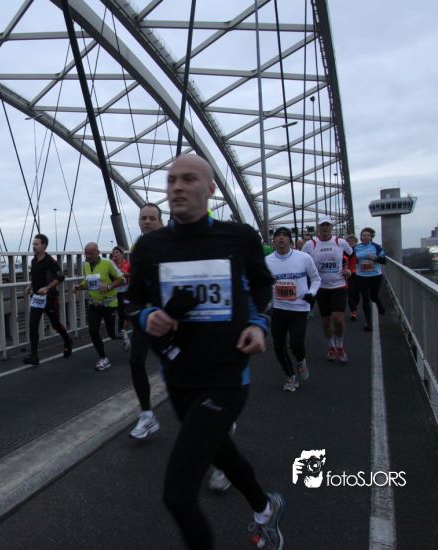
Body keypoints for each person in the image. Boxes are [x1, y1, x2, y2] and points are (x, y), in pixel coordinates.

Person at [127, 154, 284, 549]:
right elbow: (132, 299)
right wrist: (147, 316)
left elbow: (262, 285)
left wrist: (258, 323)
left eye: (189, 179)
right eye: (171, 180)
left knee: (178, 495)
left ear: (211, 188)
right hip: (178, 375)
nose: (177, 187)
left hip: (227, 375)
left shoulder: (239, 237)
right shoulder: (149, 247)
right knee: (222, 452)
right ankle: (266, 508)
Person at [266, 227, 321, 392]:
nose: (281, 238)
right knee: (278, 346)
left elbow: (316, 279)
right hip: (278, 309)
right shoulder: (267, 261)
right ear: (274, 241)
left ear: (290, 240)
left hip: (299, 308)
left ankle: (300, 360)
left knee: (296, 344)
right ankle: (290, 376)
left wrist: (312, 293)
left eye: (285, 236)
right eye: (278, 236)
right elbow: (262, 283)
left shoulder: (304, 258)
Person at [126, 203, 165, 439]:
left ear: (161, 221)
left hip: (172, 316)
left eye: (152, 218)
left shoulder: (173, 244)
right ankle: (147, 415)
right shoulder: (138, 249)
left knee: (182, 368)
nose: (147, 222)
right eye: (143, 218)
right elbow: (136, 287)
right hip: (147, 315)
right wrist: (134, 310)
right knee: (136, 361)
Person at [301, 216, 353, 363]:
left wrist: (349, 269)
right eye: (322, 225)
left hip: (339, 285)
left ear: (331, 227)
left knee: (338, 319)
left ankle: (340, 346)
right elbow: (301, 261)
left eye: (327, 225)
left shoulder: (340, 242)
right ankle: (331, 346)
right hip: (321, 287)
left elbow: (352, 256)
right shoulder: (310, 244)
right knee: (326, 321)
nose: (325, 228)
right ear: (318, 227)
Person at [72, 242, 124, 371]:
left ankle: (123, 336)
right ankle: (103, 358)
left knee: (112, 334)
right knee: (93, 331)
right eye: (86, 253)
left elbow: (121, 279)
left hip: (109, 304)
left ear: (98, 252)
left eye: (91, 253)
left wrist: (108, 286)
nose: (88, 256)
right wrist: (79, 287)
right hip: (94, 304)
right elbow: (88, 282)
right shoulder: (86, 265)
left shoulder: (108, 263)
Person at [23, 234, 73, 365]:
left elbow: (61, 277)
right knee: (33, 325)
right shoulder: (33, 261)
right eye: (33, 244)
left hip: (50, 298)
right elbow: (36, 277)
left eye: (36, 244)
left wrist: (47, 287)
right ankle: (34, 356)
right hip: (37, 298)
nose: (34, 246)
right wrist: (30, 286)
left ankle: (67, 341)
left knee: (55, 324)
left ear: (43, 246)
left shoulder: (50, 261)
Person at [353, 227, 387, 331]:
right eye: (364, 235)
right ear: (361, 237)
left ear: (371, 237)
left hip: (375, 275)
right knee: (365, 298)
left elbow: (384, 261)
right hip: (361, 276)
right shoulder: (356, 248)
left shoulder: (376, 247)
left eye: (368, 235)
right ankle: (368, 322)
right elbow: (352, 259)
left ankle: (379, 303)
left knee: (374, 296)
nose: (366, 237)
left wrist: (375, 258)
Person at [110, 245, 131, 352]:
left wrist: (127, 274)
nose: (115, 254)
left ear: (122, 254)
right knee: (119, 313)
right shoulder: (110, 264)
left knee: (124, 313)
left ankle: (124, 332)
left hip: (125, 291)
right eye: (114, 252)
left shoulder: (127, 264)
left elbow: (131, 274)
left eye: (117, 252)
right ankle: (122, 332)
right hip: (114, 291)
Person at [345, 234, 360, 321]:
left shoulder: (359, 250)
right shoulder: (344, 251)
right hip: (349, 274)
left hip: (359, 274)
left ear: (356, 242)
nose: (350, 243)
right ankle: (353, 312)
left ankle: (355, 305)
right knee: (351, 293)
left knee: (357, 294)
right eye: (348, 241)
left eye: (352, 241)